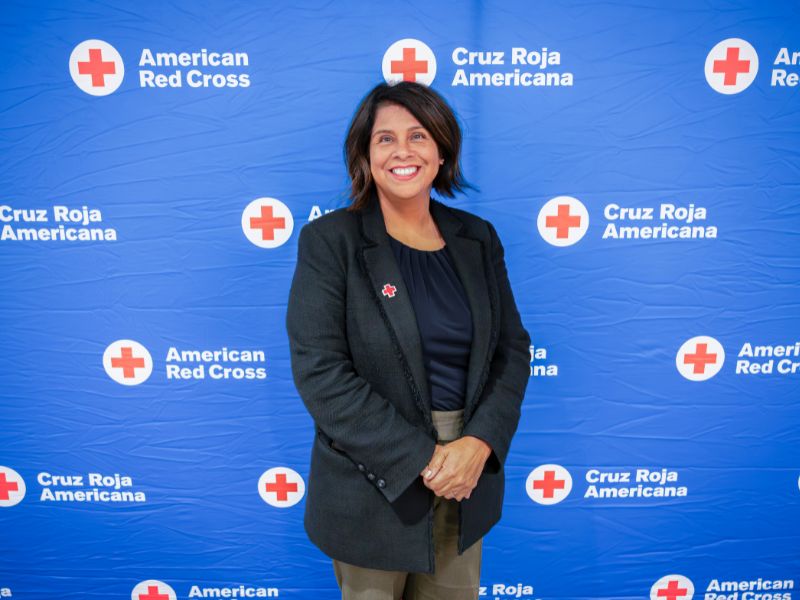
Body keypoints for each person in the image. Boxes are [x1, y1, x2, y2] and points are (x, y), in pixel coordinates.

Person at [285, 81, 531, 600]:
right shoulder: (330, 242)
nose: (403, 151)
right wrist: (424, 459)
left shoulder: (477, 238)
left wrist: (477, 446)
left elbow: (511, 352)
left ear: (441, 152)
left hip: (466, 475)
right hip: (371, 479)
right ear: (365, 155)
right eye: (385, 139)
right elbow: (321, 372)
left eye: (418, 136)